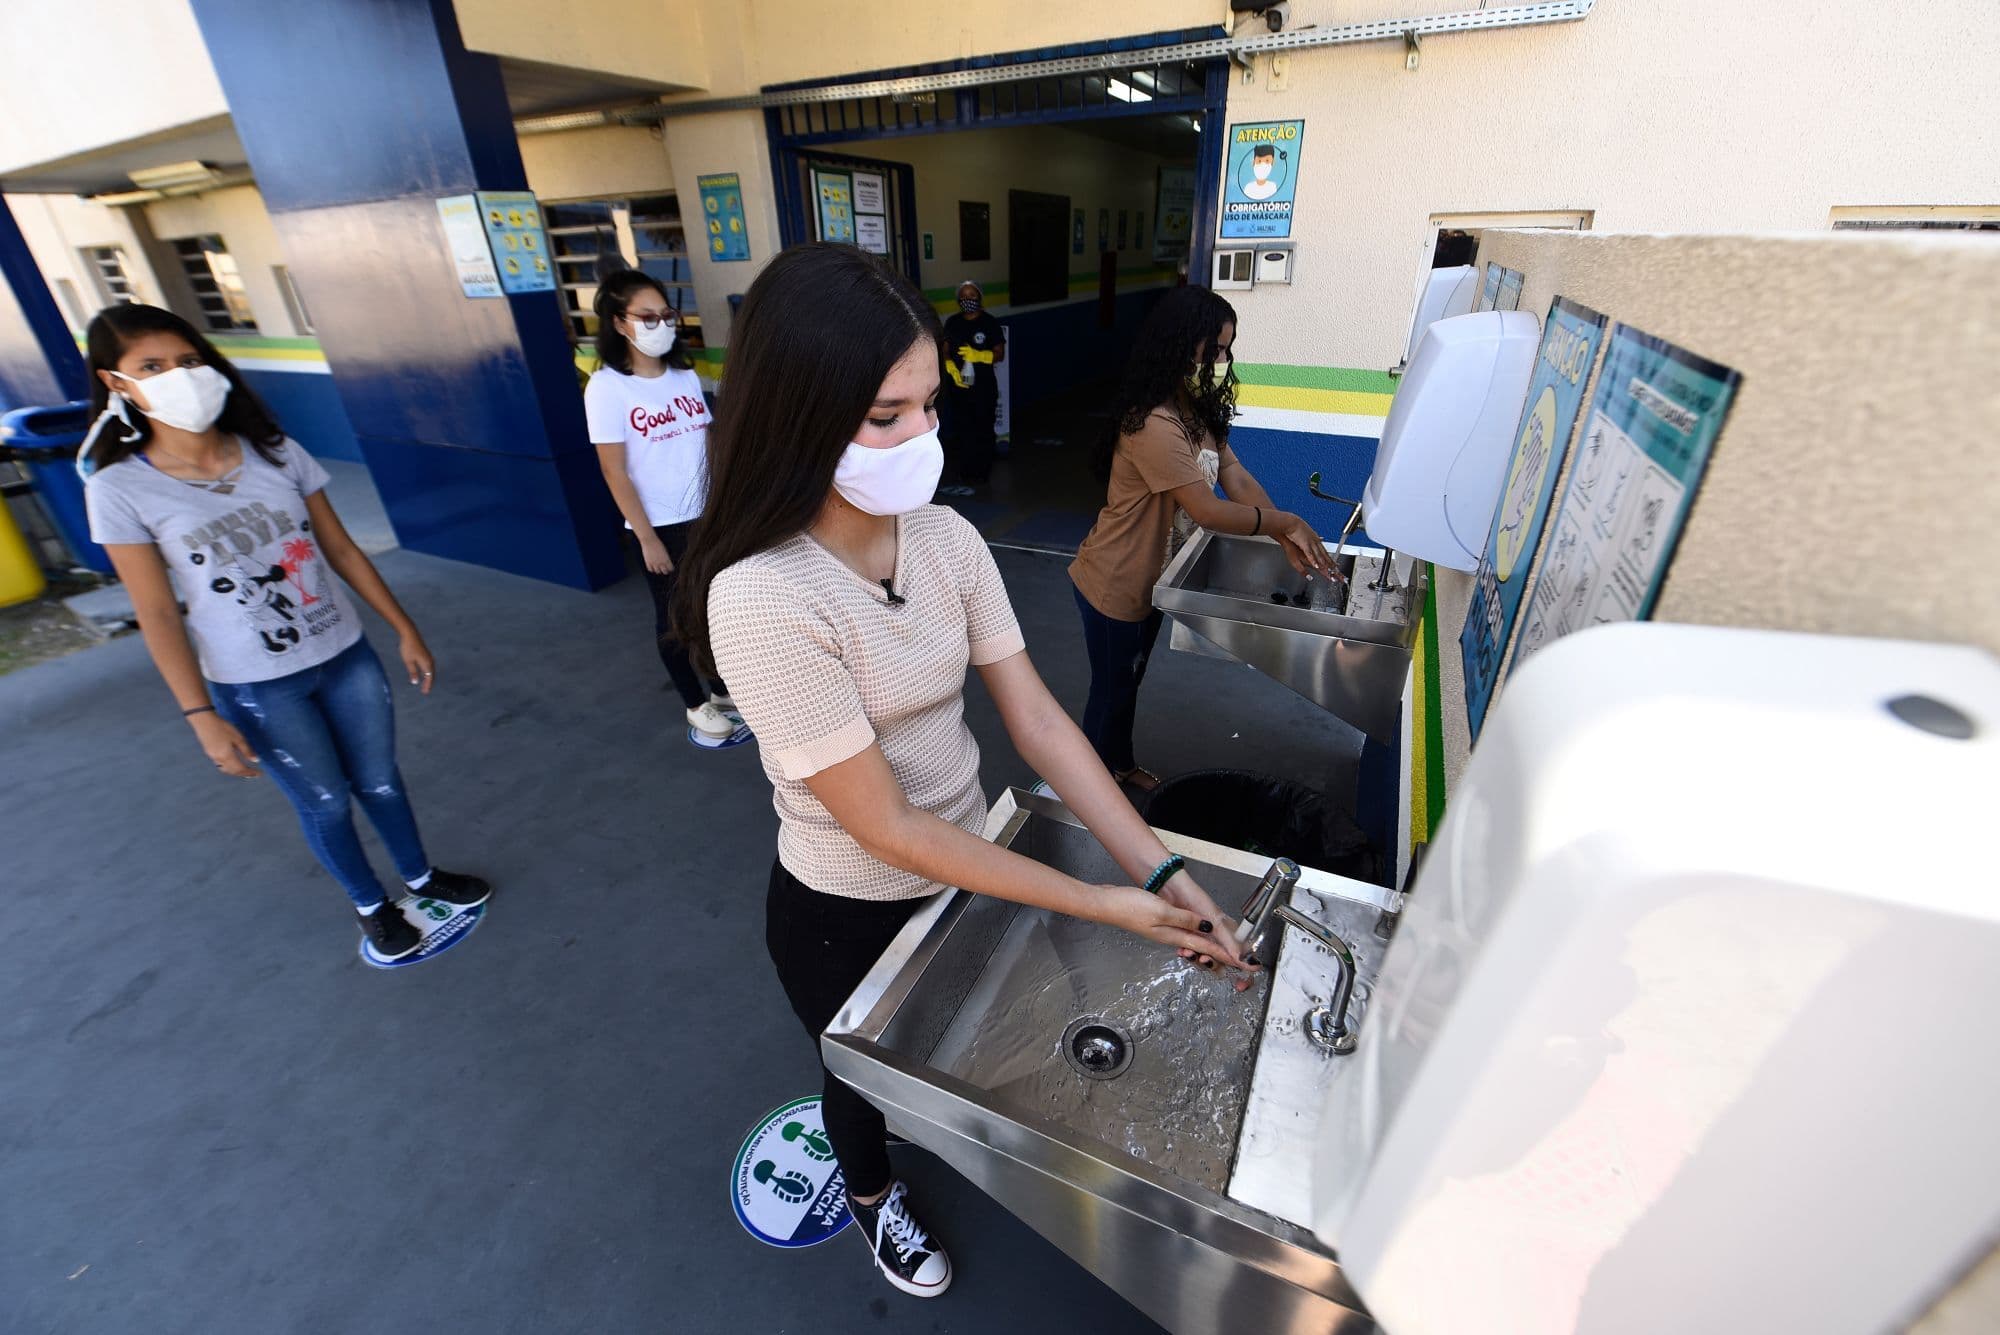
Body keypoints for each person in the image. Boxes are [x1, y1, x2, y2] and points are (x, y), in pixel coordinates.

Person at [672, 244, 1255, 1300]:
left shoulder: (941, 538)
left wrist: (1162, 876)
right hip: (845, 905)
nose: (920, 437)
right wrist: (1099, 902)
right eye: (884, 416)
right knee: (857, 1077)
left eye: (928, 406)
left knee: (963, 1041)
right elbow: (885, 828)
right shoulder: (760, 597)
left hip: (972, 863)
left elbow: (1035, 719)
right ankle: (867, 1197)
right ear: (798, 416)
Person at [79, 304, 489, 961]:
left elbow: (343, 550)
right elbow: (156, 613)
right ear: (118, 384)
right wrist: (200, 715)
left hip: (346, 654)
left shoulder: (274, 449)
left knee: (380, 778)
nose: (178, 376)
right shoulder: (120, 489)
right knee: (325, 802)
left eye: (187, 361)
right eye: (151, 366)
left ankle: (420, 877)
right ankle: (372, 906)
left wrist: (403, 627)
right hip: (257, 685)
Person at [1068, 287, 1334, 790]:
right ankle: (1091, 791)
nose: (1222, 360)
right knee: (1112, 690)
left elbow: (1237, 480)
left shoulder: (1196, 410)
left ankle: (1116, 767)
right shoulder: (1152, 422)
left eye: (1228, 350)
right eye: (1215, 348)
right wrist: (1284, 524)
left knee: (1130, 680)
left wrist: (1285, 531)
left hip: (1152, 579)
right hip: (1113, 581)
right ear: (1182, 342)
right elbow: (1207, 510)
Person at [584, 269, 740, 740]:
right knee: (674, 619)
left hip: (705, 514)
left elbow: (705, 443)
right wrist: (647, 537)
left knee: (712, 609)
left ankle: (718, 688)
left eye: (666, 315)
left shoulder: (684, 375)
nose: (660, 325)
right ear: (618, 322)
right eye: (646, 317)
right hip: (661, 524)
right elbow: (615, 471)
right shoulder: (607, 389)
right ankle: (695, 703)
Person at [937, 280, 1005, 492]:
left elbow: (999, 354)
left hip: (984, 388)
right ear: (959, 300)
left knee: (983, 428)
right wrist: (949, 365)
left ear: (979, 298)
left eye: (972, 296)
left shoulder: (989, 323)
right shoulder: (953, 323)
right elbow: (945, 349)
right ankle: (965, 471)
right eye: (964, 297)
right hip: (960, 388)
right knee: (963, 429)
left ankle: (982, 472)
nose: (968, 301)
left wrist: (980, 355)